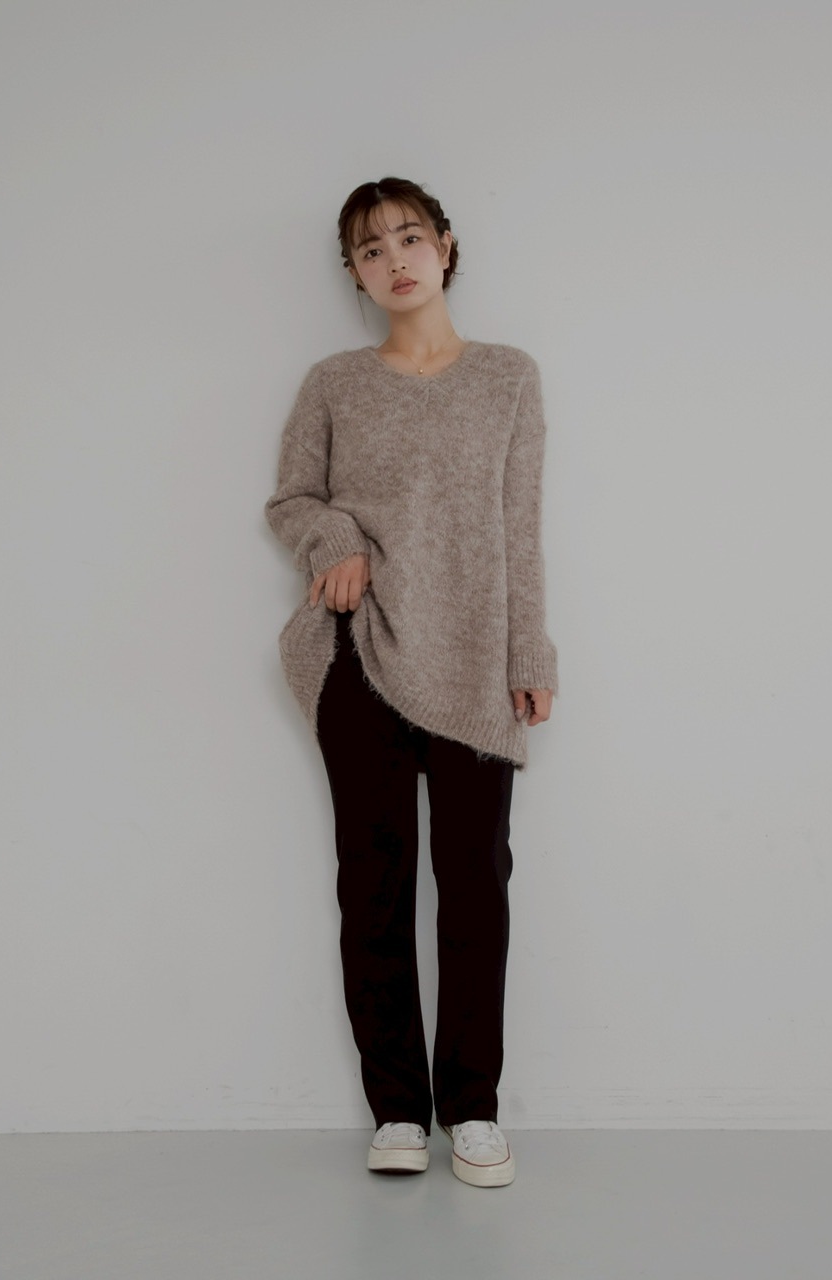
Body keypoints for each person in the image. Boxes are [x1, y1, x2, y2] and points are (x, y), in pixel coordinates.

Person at [265, 177, 557, 1187]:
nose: (394, 259)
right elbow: (291, 499)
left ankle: (472, 1109)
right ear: (353, 273)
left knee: (476, 883)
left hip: (474, 655)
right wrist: (335, 535)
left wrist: (530, 651)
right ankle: (397, 1109)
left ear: (445, 245)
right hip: (360, 654)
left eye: (408, 237)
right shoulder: (334, 383)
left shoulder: (509, 376)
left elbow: (520, 524)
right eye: (369, 248)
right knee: (374, 886)